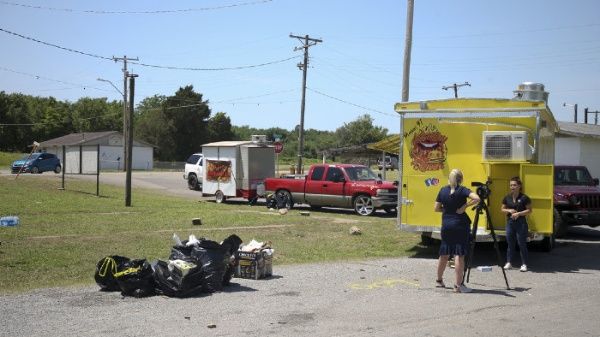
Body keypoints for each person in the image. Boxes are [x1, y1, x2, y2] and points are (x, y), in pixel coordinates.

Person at [434, 169, 480, 293]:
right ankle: (458, 285)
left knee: (444, 253)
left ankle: (439, 280)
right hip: (459, 224)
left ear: (449, 178)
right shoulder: (463, 190)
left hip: (446, 224)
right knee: (459, 255)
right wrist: (464, 207)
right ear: (461, 179)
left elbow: (436, 208)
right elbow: (477, 198)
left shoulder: (443, 190)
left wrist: (447, 210)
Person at [501, 177, 532, 272]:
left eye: (514, 185)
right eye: (511, 185)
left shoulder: (524, 198)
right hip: (510, 223)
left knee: (521, 243)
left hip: (521, 223)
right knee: (510, 243)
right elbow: (502, 209)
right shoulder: (507, 197)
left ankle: (524, 264)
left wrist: (518, 214)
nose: (512, 187)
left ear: (519, 186)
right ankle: (509, 262)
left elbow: (529, 210)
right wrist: (509, 210)